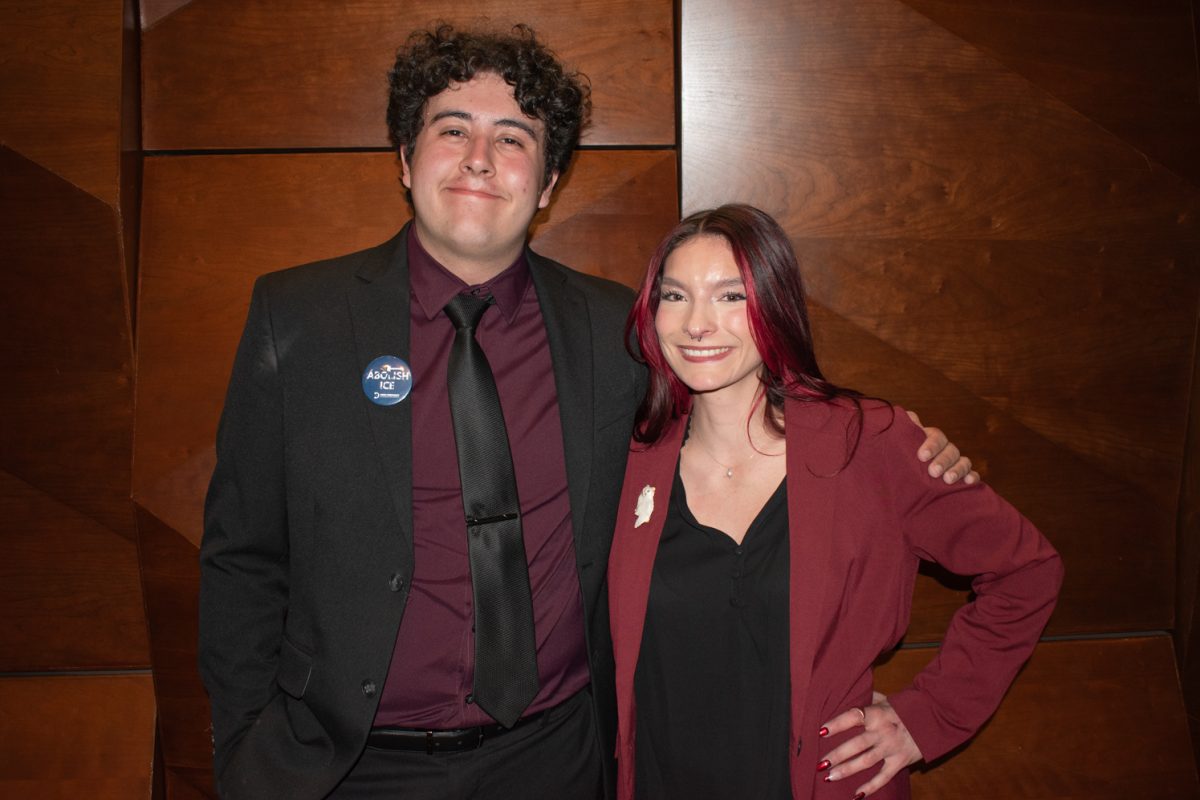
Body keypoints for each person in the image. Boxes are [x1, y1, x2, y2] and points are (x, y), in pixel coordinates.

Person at [198, 26, 976, 800]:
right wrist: (244, 748)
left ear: (546, 184)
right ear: (405, 158)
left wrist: (901, 446)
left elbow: (740, 388)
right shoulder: (297, 320)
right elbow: (243, 555)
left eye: (513, 139)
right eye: (452, 130)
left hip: (558, 758)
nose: (479, 157)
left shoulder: (622, 333)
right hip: (348, 765)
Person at [607, 205, 1063, 800]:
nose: (697, 323)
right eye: (675, 295)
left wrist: (923, 720)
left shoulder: (869, 444)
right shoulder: (625, 459)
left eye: (730, 296)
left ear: (774, 305)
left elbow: (1026, 571)